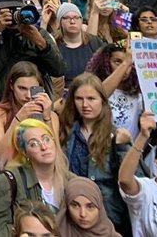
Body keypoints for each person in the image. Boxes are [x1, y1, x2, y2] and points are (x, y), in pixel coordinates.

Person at [56, 73, 131, 232]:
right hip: (71, 214)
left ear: (102, 101)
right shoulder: (65, 133)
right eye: (79, 98)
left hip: (108, 215)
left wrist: (124, 148)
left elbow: (132, 180)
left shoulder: (116, 136)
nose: (85, 104)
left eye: (91, 99)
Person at [0, 0, 65, 107]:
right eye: (7, 10)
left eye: (15, 9)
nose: (12, 14)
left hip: (34, 102)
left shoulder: (38, 33)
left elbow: (59, 69)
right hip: (0, 103)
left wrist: (40, 42)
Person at [0, 119, 70, 237]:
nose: (44, 147)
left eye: (46, 139)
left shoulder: (71, 181)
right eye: (34, 144)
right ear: (24, 152)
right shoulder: (7, 181)